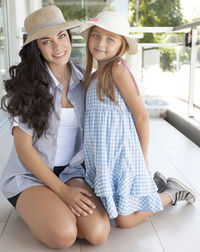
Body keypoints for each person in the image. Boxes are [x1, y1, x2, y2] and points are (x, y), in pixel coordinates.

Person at [0, 6, 110, 249]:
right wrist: (60, 191)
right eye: (46, 41)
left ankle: (49, 208)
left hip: (71, 173)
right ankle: (36, 204)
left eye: (61, 36)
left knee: (97, 233)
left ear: (69, 37)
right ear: (36, 49)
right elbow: (24, 149)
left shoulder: (85, 80)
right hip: (29, 176)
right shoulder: (27, 86)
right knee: (64, 235)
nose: (58, 46)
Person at [79, 11, 196, 228]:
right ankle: (155, 186)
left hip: (123, 156)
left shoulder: (117, 69)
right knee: (111, 205)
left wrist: (143, 160)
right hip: (104, 158)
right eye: (96, 35)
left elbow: (141, 116)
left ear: (121, 45)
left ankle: (172, 193)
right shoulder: (92, 76)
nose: (100, 43)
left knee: (123, 220)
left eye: (110, 39)